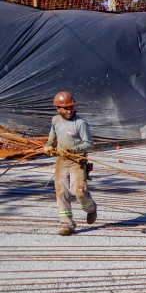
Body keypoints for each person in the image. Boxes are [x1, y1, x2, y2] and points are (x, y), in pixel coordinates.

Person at [43, 91, 98, 235]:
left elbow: (89, 143)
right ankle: (68, 225)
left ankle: (91, 209)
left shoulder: (80, 123)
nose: (69, 111)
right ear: (58, 109)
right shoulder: (56, 120)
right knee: (62, 193)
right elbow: (53, 135)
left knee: (79, 193)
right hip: (62, 162)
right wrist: (49, 144)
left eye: (71, 107)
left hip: (77, 162)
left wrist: (73, 150)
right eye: (66, 108)